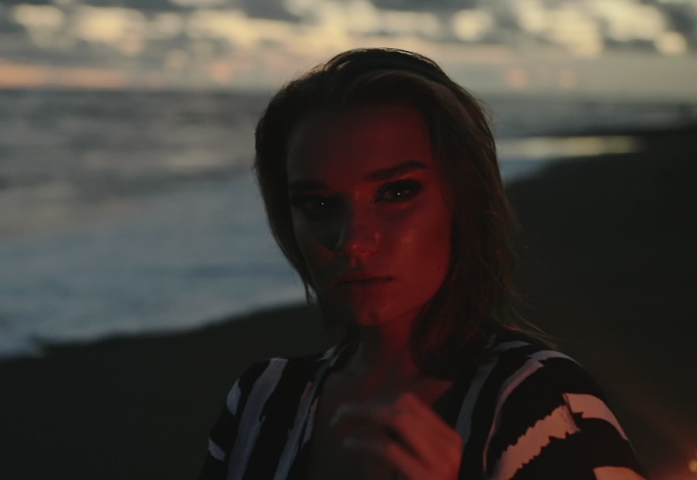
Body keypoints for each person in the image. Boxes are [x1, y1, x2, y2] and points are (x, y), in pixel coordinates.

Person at [197, 48, 646, 480]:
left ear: (464, 198)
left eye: (396, 193)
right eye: (317, 204)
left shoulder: (540, 401)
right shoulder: (264, 399)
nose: (352, 240)